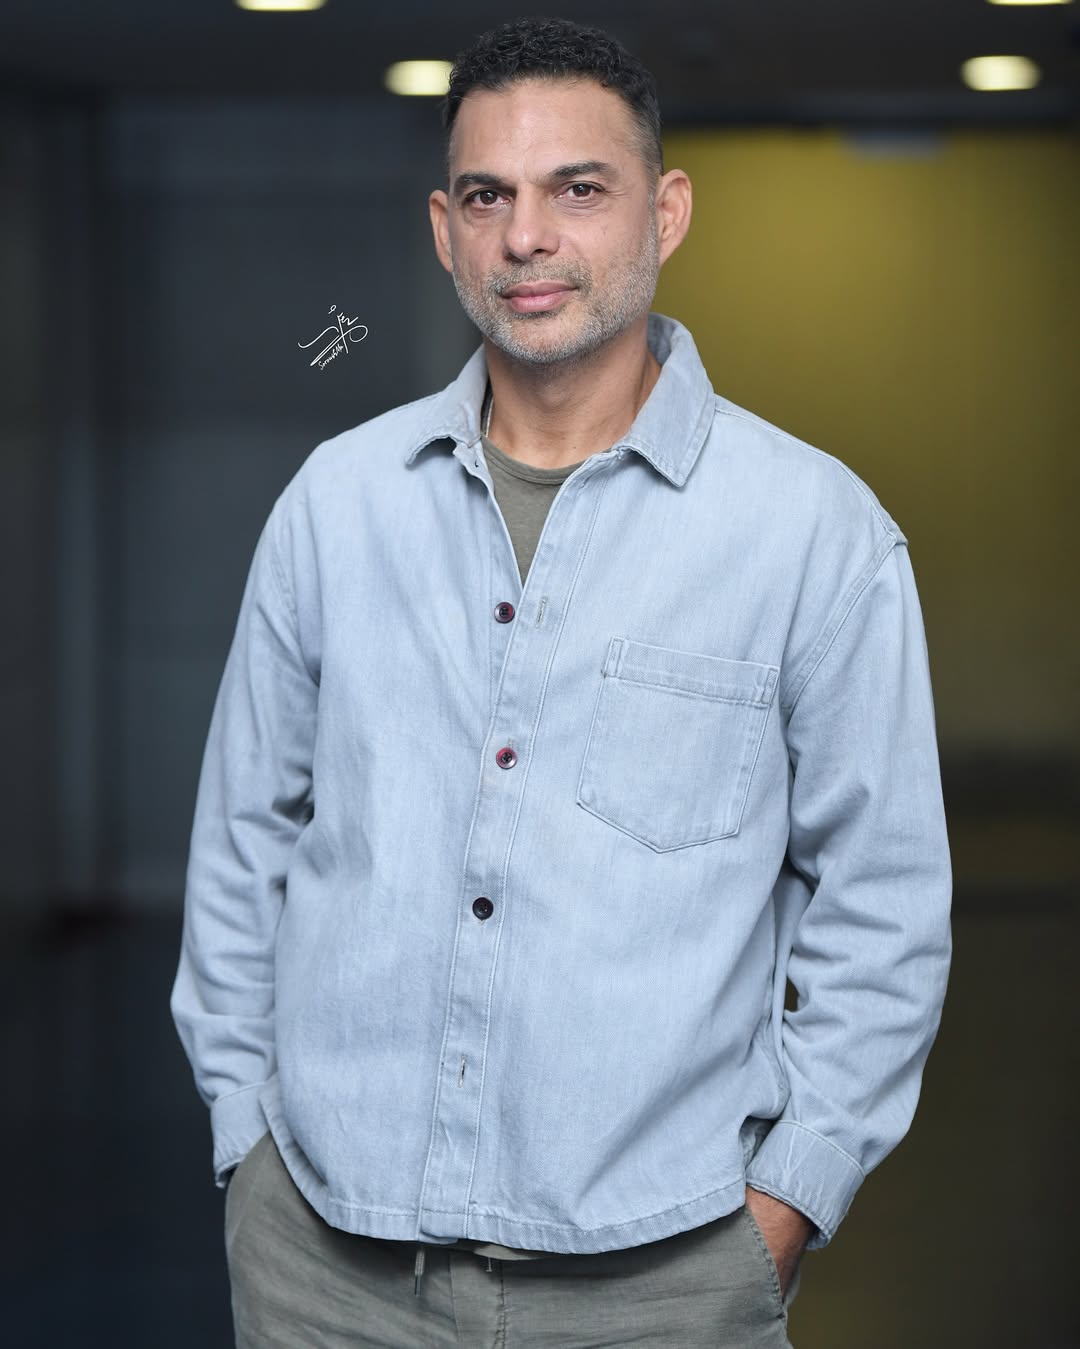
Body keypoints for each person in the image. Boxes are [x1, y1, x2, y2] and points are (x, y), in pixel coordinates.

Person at [171, 16, 952, 1348]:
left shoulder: (813, 533)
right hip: (325, 1270)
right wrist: (247, 1145)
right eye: (488, 196)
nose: (525, 236)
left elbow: (883, 903)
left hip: (669, 1280)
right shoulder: (336, 506)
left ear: (666, 211)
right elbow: (244, 846)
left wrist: (788, 1203)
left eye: (577, 188)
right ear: (444, 230)